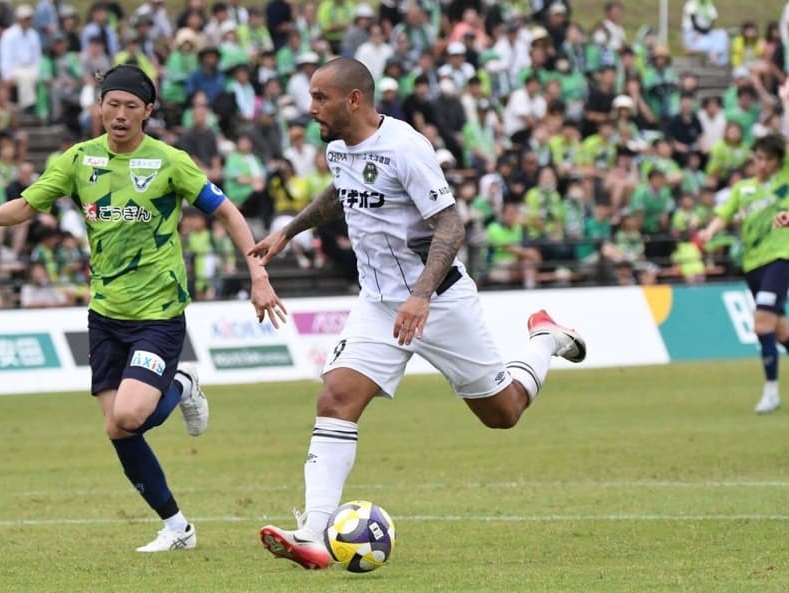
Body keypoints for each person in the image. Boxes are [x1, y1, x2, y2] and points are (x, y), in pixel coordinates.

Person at [248, 57, 587, 570]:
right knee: (336, 398)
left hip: (439, 302)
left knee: (504, 413)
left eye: (321, 98)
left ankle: (544, 339)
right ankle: (314, 533)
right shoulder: (339, 147)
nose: (310, 107)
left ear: (354, 99)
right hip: (378, 304)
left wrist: (422, 295)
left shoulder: (406, 147)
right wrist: (289, 231)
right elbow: (341, 191)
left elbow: (451, 226)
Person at [0, 64, 286, 552]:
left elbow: (228, 212)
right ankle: (178, 528)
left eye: (131, 106)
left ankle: (181, 383)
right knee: (117, 428)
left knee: (132, 415)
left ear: (148, 112)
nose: (119, 114)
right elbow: (29, 205)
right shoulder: (78, 160)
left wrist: (258, 274)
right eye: (112, 104)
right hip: (105, 313)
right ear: (99, 107)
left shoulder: (170, 161)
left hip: (157, 313)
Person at [698, 134, 789, 415]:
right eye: (759, 158)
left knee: (761, 325)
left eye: (768, 159)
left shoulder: (784, 179)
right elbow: (723, 214)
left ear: (778, 161)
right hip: (752, 264)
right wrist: (710, 230)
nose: (762, 164)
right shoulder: (743, 189)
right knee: (780, 331)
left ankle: (771, 392)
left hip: (779, 257)